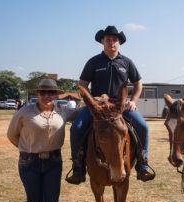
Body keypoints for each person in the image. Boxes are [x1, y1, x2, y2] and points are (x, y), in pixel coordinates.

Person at [66, 25, 155, 184]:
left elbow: (138, 83)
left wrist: (133, 101)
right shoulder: (93, 62)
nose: (111, 42)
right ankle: (78, 165)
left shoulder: (127, 62)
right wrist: (90, 102)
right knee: (76, 128)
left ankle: (143, 163)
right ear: (102, 41)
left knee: (143, 126)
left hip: (120, 106)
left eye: (114, 40)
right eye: (108, 39)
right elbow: (82, 84)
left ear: (119, 42)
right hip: (97, 107)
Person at [7, 78, 78, 202]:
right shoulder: (24, 112)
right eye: (43, 92)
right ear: (38, 94)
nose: (47, 95)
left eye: (51, 92)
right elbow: (12, 134)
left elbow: (82, 110)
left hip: (53, 163)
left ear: (56, 95)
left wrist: (98, 99)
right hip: (29, 163)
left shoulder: (63, 112)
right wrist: (26, 148)